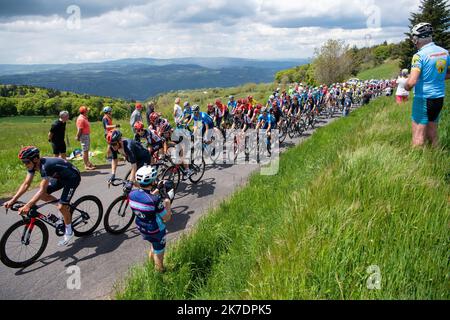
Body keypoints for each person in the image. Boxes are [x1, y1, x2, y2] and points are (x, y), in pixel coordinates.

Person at [4, 146, 81, 246]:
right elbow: (26, 184)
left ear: (35, 159)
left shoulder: (46, 166)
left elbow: (41, 190)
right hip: (60, 177)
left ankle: (69, 231)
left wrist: (27, 205)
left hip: (72, 177)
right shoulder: (33, 165)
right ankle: (63, 206)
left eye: (26, 162)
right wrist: (12, 200)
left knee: (61, 206)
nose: (25, 165)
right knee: (45, 196)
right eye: (23, 162)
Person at [404, 22, 450, 147]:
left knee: (418, 137)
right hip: (439, 98)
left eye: (414, 38)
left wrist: (405, 86)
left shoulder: (418, 56)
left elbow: (412, 82)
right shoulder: (444, 52)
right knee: (433, 134)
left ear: (417, 38)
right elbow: (448, 74)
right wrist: (435, 78)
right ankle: (436, 158)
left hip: (423, 98)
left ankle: (416, 163)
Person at [129, 165, 172, 272]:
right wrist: (167, 202)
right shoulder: (155, 200)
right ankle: (159, 273)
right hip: (156, 230)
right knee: (159, 253)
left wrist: (157, 190)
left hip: (142, 227)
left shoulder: (132, 194)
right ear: (153, 181)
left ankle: (150, 266)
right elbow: (167, 218)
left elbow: (145, 198)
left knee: (153, 246)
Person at [76, 106, 96, 170]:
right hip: (83, 135)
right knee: (85, 151)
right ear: (84, 111)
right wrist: (78, 137)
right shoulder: (81, 119)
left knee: (86, 150)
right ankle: (86, 165)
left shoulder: (84, 117)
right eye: (87, 110)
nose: (88, 111)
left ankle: (88, 163)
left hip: (86, 135)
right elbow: (80, 130)